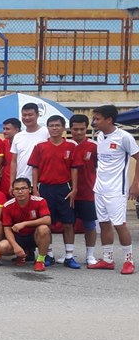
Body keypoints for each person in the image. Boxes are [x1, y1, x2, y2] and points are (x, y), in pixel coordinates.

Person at [88, 104, 139, 274]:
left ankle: (128, 261)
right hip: (100, 188)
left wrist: (135, 184)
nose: (94, 122)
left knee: (119, 224)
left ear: (109, 119)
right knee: (103, 223)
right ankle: (108, 259)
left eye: (97, 119)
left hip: (117, 190)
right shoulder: (100, 136)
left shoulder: (124, 137)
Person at [28, 115, 79, 267]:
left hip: (64, 188)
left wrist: (74, 188)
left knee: (68, 223)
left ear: (63, 128)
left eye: (57, 125)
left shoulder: (71, 146)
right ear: (48, 128)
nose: (54, 128)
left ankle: (69, 256)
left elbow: (74, 168)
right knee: (47, 223)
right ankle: (48, 254)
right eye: (51, 125)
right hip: (45, 188)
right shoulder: (40, 146)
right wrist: (35, 189)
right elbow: (35, 168)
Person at [0, 177, 52, 272]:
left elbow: (47, 220)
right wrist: (15, 246)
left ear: (30, 190)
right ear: (13, 191)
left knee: (44, 229)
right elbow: (7, 229)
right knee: (2, 247)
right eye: (17, 189)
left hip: (35, 236)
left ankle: (40, 260)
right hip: (18, 236)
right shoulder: (7, 205)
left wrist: (24, 224)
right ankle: (22, 254)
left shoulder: (40, 201)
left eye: (23, 188)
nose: (20, 192)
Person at [69, 114, 99, 266]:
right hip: (69, 193)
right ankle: (69, 254)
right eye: (75, 129)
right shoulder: (66, 145)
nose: (79, 132)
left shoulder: (94, 146)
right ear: (70, 129)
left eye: (82, 129)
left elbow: (101, 169)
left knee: (89, 225)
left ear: (86, 128)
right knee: (68, 224)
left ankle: (90, 255)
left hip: (88, 193)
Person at [9, 103, 49, 185]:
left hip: (41, 182)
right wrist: (12, 183)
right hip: (21, 183)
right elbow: (14, 161)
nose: (27, 118)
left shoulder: (47, 132)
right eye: (24, 115)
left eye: (30, 115)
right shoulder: (18, 136)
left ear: (37, 115)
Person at [0, 118, 20, 197]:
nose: (4, 131)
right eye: (3, 129)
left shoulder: (23, 144)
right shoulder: (4, 143)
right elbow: (1, 162)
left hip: (20, 181)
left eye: (7, 129)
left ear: (17, 130)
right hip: (5, 182)